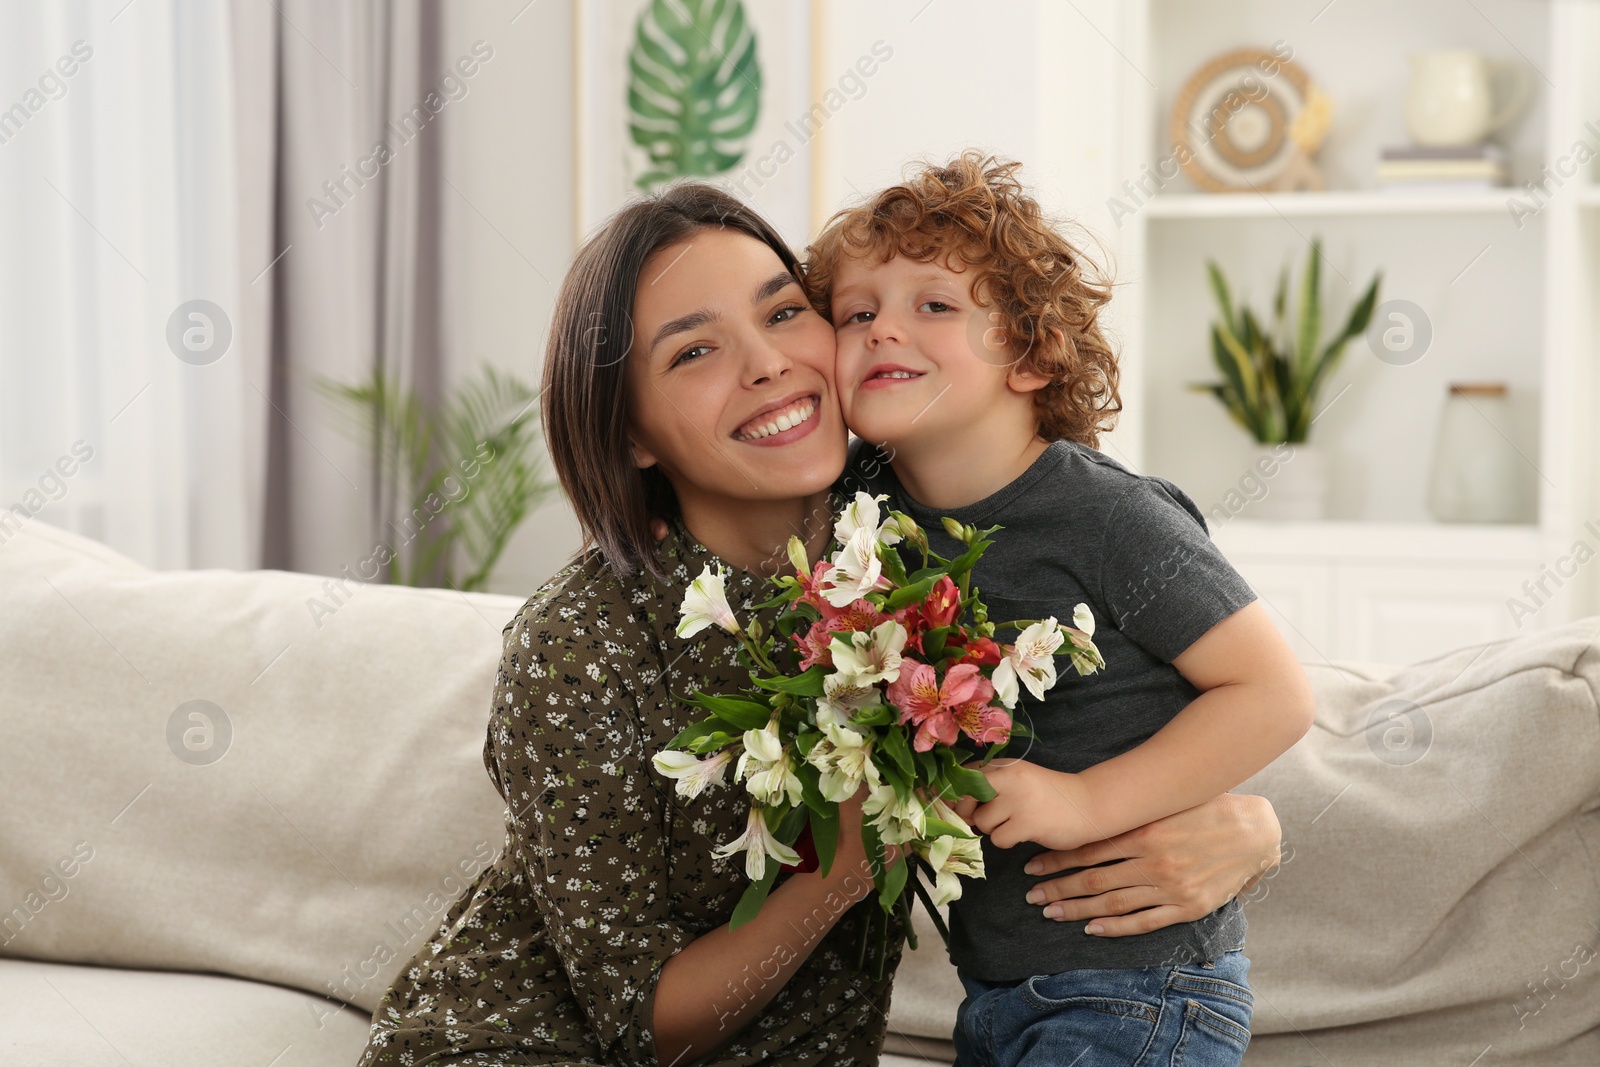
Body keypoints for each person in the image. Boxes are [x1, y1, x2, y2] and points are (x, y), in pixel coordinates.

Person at [356, 180, 1289, 1066]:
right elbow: (647, 1032)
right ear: (630, 434)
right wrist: (838, 871)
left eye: (782, 312)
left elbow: (1185, 679)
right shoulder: (579, 643)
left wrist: (1248, 825)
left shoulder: (915, 517)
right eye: (693, 350)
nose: (766, 364)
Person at [809, 151, 1317, 1066]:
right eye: (856, 313)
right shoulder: (857, 514)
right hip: (998, 993)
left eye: (935, 305)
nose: (884, 330)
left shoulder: (1108, 518)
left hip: (1142, 986)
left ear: (1034, 355)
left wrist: (1087, 799)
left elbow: (1273, 691)